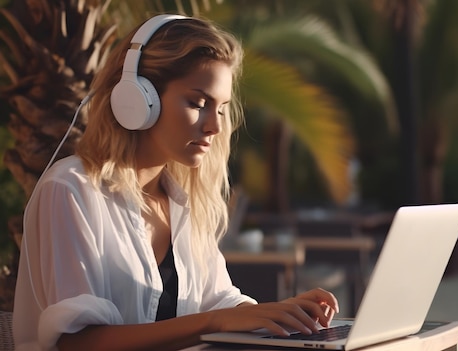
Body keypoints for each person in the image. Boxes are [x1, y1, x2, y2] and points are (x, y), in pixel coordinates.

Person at [12, 14, 338, 351]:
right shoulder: (71, 190)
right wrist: (215, 322)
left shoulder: (184, 200)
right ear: (138, 100)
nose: (214, 126)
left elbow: (218, 302)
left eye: (222, 108)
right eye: (198, 103)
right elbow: (78, 343)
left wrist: (281, 316)